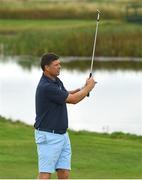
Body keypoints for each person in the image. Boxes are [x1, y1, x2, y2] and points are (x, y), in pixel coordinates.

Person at [34, 53, 96, 179]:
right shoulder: (46, 86)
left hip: (62, 135)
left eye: (60, 64)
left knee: (64, 172)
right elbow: (72, 100)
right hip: (48, 136)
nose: (59, 67)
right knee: (45, 174)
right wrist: (88, 88)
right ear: (46, 67)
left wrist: (82, 88)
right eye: (56, 65)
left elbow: (64, 94)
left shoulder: (55, 81)